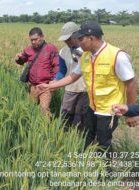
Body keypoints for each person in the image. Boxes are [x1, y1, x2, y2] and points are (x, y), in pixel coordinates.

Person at [38, 21, 137, 157]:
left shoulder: (117, 56)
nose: (78, 42)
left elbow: (131, 84)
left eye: (80, 39)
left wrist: (131, 112)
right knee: (87, 137)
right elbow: (72, 76)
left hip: (109, 111)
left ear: (91, 38)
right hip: (92, 107)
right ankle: (87, 166)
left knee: (103, 143)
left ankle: (105, 175)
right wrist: (49, 85)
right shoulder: (85, 56)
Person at [15, 27, 59, 117]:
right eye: (31, 40)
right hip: (33, 87)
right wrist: (18, 59)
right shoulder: (28, 50)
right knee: (31, 108)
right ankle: (34, 126)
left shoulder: (51, 49)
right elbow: (21, 61)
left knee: (43, 109)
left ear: (42, 36)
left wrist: (54, 82)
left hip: (46, 87)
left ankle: (47, 129)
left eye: (36, 39)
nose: (33, 42)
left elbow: (57, 66)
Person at [55, 22, 89, 130]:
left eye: (68, 38)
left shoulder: (87, 50)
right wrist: (55, 81)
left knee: (80, 120)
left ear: (76, 35)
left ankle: (78, 142)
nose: (66, 41)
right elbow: (62, 71)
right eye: (65, 39)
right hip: (70, 89)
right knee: (65, 118)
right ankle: (64, 140)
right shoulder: (62, 52)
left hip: (85, 90)